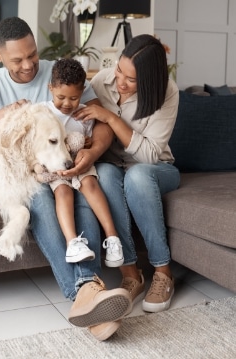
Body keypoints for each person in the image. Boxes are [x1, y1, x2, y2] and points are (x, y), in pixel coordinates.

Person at [0, 17, 131, 341]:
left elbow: (101, 121)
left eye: (32, 55)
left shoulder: (59, 74)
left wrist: (92, 152)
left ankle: (90, 295)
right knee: (40, 197)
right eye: (18, 60)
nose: (28, 65)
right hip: (28, 178)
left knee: (82, 188)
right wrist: (0, 115)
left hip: (70, 165)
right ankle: (88, 289)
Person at [71, 34, 180, 314]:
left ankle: (163, 272)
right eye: (120, 70)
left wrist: (111, 118)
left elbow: (149, 154)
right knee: (104, 176)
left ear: (149, 80)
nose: (120, 81)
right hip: (113, 167)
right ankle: (131, 275)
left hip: (157, 170)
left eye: (131, 80)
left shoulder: (167, 93)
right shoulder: (101, 82)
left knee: (137, 176)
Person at [39, 58, 123, 267]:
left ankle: (113, 239)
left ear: (83, 91)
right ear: (50, 89)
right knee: (63, 192)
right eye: (61, 97)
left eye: (74, 98)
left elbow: (89, 140)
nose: (67, 104)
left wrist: (87, 143)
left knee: (90, 185)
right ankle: (72, 243)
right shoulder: (42, 112)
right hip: (57, 168)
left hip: (80, 164)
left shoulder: (85, 113)